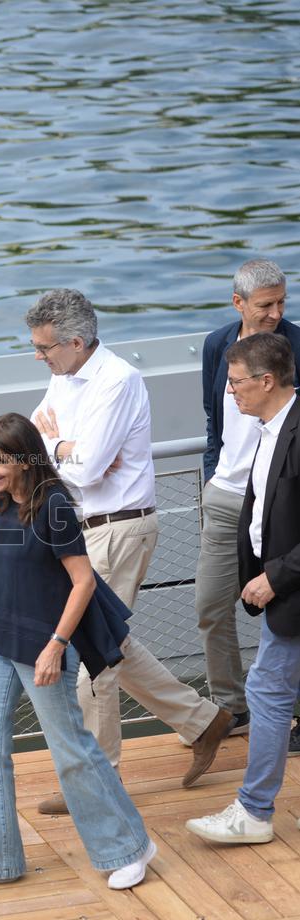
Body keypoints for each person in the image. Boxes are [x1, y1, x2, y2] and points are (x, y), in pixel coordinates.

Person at [25, 288, 231, 813]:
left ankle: (97, 780)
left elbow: (90, 468)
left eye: (44, 347)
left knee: (91, 655)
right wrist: (64, 446)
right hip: (84, 527)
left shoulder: (118, 381)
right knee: (110, 640)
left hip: (117, 528)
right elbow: (34, 439)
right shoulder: (64, 374)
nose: (38, 356)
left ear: (76, 341)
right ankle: (203, 721)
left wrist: (62, 446)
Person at [0, 413, 156, 891]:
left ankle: (127, 848)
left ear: (23, 459)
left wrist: (57, 646)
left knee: (71, 752)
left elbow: (82, 582)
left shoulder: (53, 505)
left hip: (43, 644)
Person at [187, 333, 300, 843]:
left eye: (236, 383)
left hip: (292, 589)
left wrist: (274, 578)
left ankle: (253, 813)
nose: (229, 392)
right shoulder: (266, 428)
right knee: (271, 689)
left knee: (267, 690)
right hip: (280, 585)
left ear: (267, 381)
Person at [196, 259, 300, 748]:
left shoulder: (295, 343)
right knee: (212, 606)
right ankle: (231, 709)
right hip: (227, 496)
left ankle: (286, 715)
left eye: (282, 302)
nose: (276, 313)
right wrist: (214, 474)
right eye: (266, 305)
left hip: (281, 500)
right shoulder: (218, 345)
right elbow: (213, 419)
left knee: (290, 608)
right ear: (238, 303)